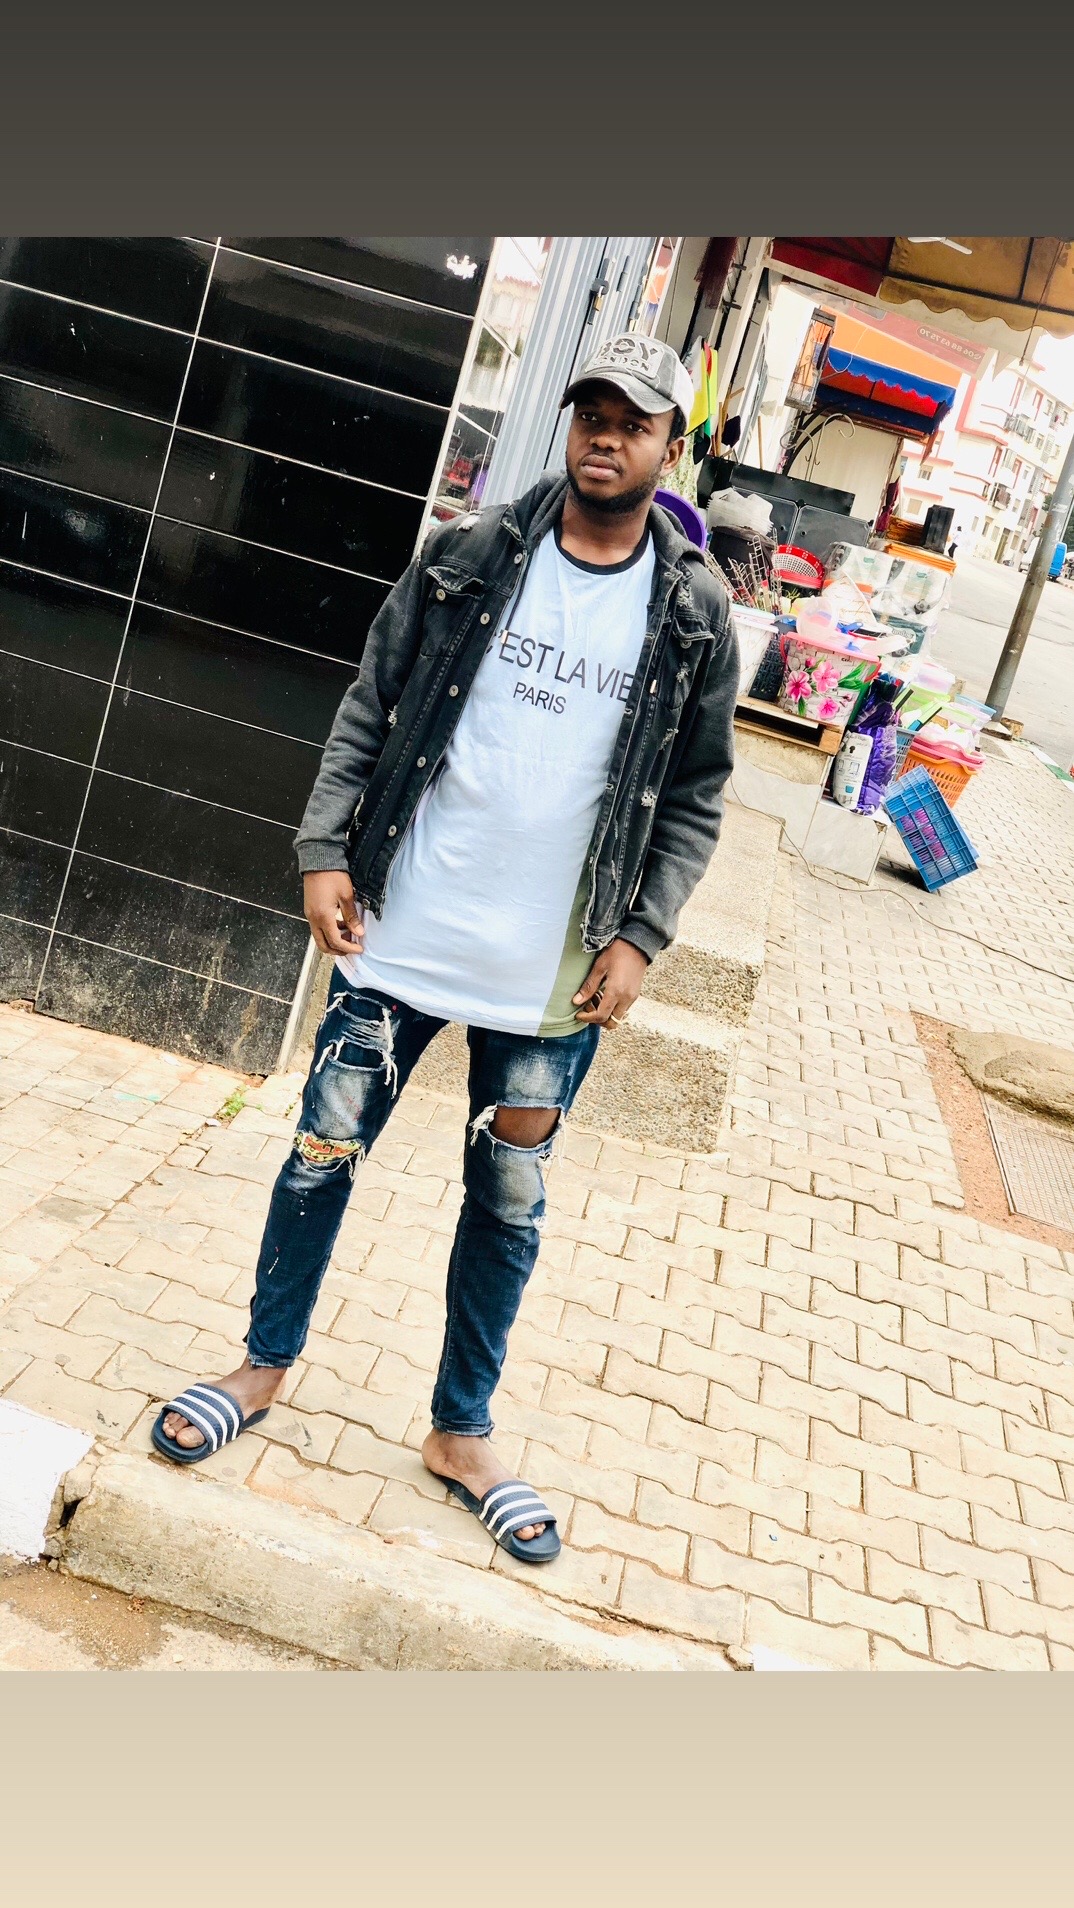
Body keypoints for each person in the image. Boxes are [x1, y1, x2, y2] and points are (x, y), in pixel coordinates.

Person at [152, 333, 739, 1563]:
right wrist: (324, 848)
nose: (605, 435)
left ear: (670, 445)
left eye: (633, 420)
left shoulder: (692, 612)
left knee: (509, 1201)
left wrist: (642, 936)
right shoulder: (470, 556)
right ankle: (262, 1367)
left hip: (552, 969)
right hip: (401, 925)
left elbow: (694, 796)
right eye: (591, 411)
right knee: (320, 1154)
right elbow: (369, 705)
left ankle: (461, 1432)